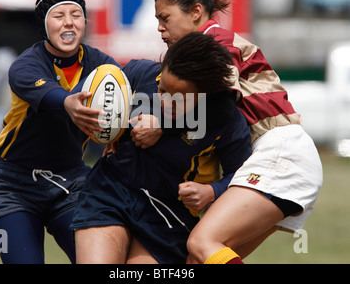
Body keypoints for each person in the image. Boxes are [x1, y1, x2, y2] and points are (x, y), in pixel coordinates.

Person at [131, 0, 323, 264]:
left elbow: (219, 100)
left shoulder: (216, 43)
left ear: (196, 12)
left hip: (280, 151)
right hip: (284, 157)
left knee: (201, 242)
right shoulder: (206, 50)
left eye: (164, 18)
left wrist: (161, 125)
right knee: (198, 259)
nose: (159, 28)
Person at [71, 32, 252, 264]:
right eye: (162, 91)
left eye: (179, 98)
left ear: (205, 97)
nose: (165, 102)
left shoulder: (228, 123)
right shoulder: (141, 74)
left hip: (167, 215)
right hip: (110, 192)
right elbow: (94, 99)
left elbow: (242, 179)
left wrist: (211, 192)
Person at [0, 0, 120, 264]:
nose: (68, 22)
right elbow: (54, 97)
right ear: (44, 24)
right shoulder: (24, 65)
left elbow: (130, 86)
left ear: (84, 22)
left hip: (72, 181)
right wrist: (69, 103)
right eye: (59, 15)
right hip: (11, 185)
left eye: (76, 14)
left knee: (102, 261)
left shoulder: (102, 65)